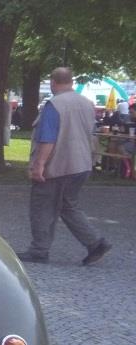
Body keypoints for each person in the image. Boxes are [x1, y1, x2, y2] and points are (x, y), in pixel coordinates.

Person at [16, 67, 111, 266]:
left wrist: (39, 165)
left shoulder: (54, 105)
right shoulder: (86, 104)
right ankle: (95, 243)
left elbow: (48, 138)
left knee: (42, 206)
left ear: (53, 82)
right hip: (82, 164)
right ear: (71, 81)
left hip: (58, 165)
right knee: (68, 206)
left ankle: (39, 250)